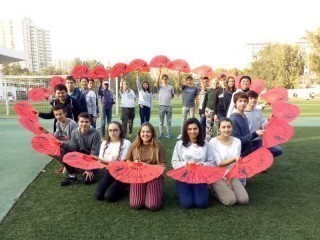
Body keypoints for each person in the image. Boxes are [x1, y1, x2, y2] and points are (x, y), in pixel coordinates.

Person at [172, 118, 215, 209]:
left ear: (199, 129)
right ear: (186, 130)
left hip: (200, 177)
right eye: (189, 129)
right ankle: (185, 189)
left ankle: (202, 190)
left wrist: (203, 164)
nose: (192, 131)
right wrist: (185, 163)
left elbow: (212, 163)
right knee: (187, 204)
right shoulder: (179, 144)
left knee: (201, 204)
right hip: (184, 176)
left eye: (195, 129)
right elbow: (174, 162)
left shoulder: (206, 144)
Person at [125, 122, 166, 211]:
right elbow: (128, 161)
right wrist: (134, 163)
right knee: (136, 204)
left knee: (152, 206)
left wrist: (146, 165)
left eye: (148, 132)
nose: (145, 134)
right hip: (138, 176)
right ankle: (141, 191)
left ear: (152, 133)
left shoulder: (158, 146)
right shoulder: (134, 145)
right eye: (143, 132)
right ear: (139, 133)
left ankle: (157, 191)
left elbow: (162, 166)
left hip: (154, 177)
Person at [209, 118, 249, 205]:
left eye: (228, 127)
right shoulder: (213, 142)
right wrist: (234, 158)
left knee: (243, 200)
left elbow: (236, 164)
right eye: (223, 127)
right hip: (218, 175)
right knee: (231, 201)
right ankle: (214, 191)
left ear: (232, 127)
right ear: (219, 128)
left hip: (231, 174)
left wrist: (230, 178)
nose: (226, 129)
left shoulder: (237, 141)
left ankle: (228, 188)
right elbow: (219, 163)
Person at [59, 112, 101, 187]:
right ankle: (72, 177)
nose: (84, 124)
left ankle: (88, 169)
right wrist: (61, 144)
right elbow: (73, 148)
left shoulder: (95, 134)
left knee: (87, 181)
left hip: (91, 158)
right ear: (78, 122)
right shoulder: (75, 132)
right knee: (65, 154)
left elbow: (94, 153)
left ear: (90, 122)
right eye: (81, 121)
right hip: (80, 155)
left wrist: (89, 169)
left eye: (86, 122)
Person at [95, 121, 131, 202]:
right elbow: (101, 161)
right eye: (110, 130)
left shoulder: (126, 143)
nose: (112, 132)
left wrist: (105, 163)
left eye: (115, 130)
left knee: (109, 197)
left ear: (120, 131)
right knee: (98, 195)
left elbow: (123, 162)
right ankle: (114, 185)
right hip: (110, 172)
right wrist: (95, 159)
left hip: (122, 173)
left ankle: (126, 187)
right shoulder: (104, 143)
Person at [244, 90, 283, 157]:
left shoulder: (257, 111)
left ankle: (258, 157)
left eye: (255, 98)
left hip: (257, 141)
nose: (253, 100)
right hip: (247, 143)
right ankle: (253, 157)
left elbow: (262, 125)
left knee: (278, 150)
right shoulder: (242, 113)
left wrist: (270, 118)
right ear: (246, 99)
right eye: (251, 98)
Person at [229, 92, 264, 158]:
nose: (243, 103)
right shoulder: (233, 119)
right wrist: (255, 134)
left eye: (245, 101)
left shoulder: (243, 116)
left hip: (247, 152)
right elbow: (237, 141)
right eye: (240, 101)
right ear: (235, 103)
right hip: (240, 155)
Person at [52, 104, 78, 174]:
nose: (58, 117)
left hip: (72, 148)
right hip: (63, 145)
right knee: (49, 148)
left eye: (60, 114)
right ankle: (64, 164)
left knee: (66, 173)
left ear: (65, 113)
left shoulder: (72, 124)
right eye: (56, 115)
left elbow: (74, 143)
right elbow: (55, 135)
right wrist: (46, 134)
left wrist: (61, 143)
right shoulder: (58, 123)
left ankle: (72, 164)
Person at [176, 74, 199, 140]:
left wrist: (197, 107)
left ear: (192, 81)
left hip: (192, 106)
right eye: (188, 80)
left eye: (190, 80)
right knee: (183, 120)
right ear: (186, 81)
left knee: (192, 121)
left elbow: (197, 98)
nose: (189, 81)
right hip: (185, 106)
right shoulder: (185, 87)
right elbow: (179, 82)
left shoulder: (195, 89)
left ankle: (192, 133)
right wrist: (179, 74)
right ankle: (182, 133)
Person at [156, 71, 174, 139]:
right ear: (162, 80)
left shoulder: (171, 87)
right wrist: (159, 74)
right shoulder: (160, 87)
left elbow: (172, 95)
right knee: (161, 121)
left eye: (166, 78)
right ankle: (161, 133)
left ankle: (168, 133)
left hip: (169, 106)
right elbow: (157, 83)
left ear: (168, 79)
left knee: (169, 121)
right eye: (163, 78)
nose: (165, 79)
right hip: (161, 106)